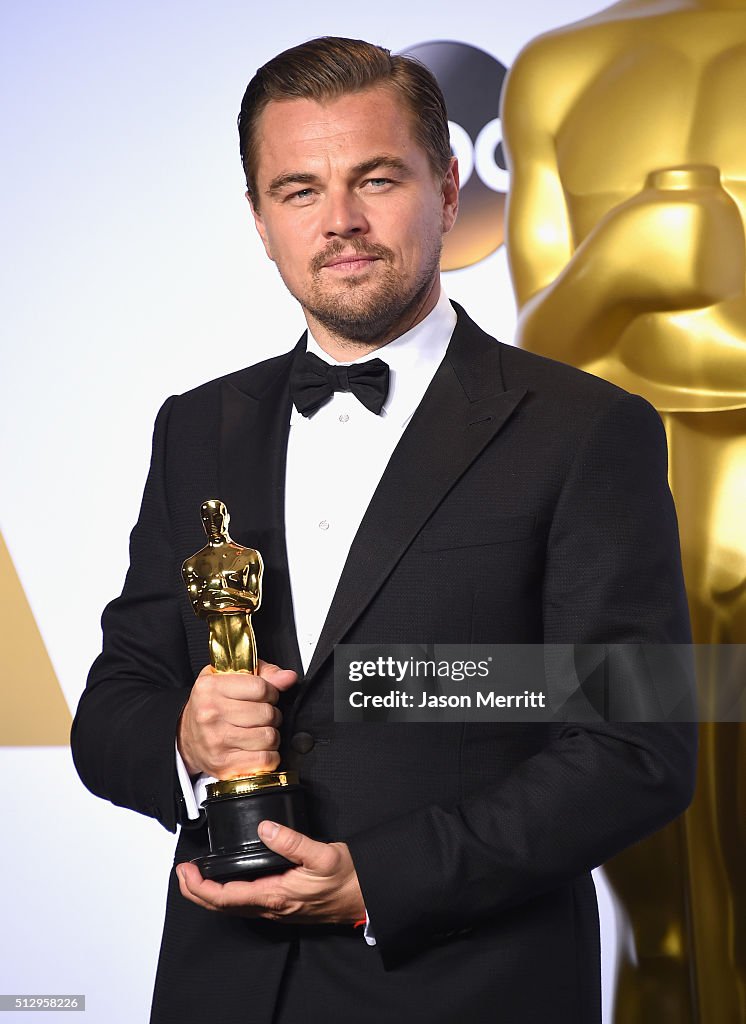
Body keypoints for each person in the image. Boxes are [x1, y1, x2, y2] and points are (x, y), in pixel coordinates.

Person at [71, 36, 696, 1024]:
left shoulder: (588, 431)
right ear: (259, 221)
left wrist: (383, 877)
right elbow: (113, 707)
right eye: (299, 190)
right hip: (221, 989)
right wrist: (184, 738)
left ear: (448, 189)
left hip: (470, 991)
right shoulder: (197, 426)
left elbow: (637, 746)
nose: (341, 223)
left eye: (376, 178)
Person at [501, 3, 746, 1018]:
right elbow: (534, 362)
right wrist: (615, 267)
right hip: (621, 540)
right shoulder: (556, 68)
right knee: (659, 924)